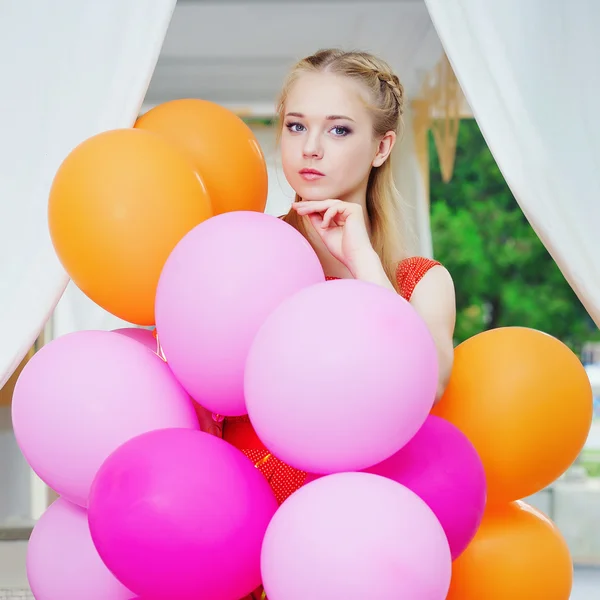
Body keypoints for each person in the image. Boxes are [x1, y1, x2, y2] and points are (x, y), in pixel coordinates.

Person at [218, 48, 456, 512]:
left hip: (351, 537)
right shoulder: (242, 257)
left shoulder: (420, 282)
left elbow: (426, 386)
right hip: (232, 525)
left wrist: (362, 258)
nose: (311, 147)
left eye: (339, 129)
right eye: (296, 125)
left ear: (382, 148)